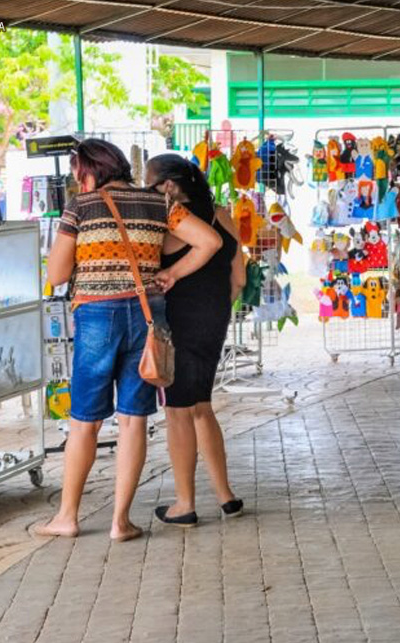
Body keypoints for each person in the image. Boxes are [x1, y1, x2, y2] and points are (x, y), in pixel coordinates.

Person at [39, 140, 222, 542]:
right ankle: (120, 522)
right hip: (146, 317)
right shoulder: (157, 203)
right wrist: (173, 274)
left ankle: (67, 517)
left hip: (97, 317)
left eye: (77, 172)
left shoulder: (81, 206)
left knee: (84, 420)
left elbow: (55, 274)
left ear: (88, 172)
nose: (75, 179)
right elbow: (210, 241)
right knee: (133, 420)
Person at [145, 154, 246, 527]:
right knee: (202, 405)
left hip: (180, 322)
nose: (147, 192)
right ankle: (226, 496)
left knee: (178, 411)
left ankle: (183, 503)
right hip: (216, 319)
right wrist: (216, 308)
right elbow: (239, 279)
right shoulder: (222, 214)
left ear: (169, 186)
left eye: (150, 185)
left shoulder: (170, 223)